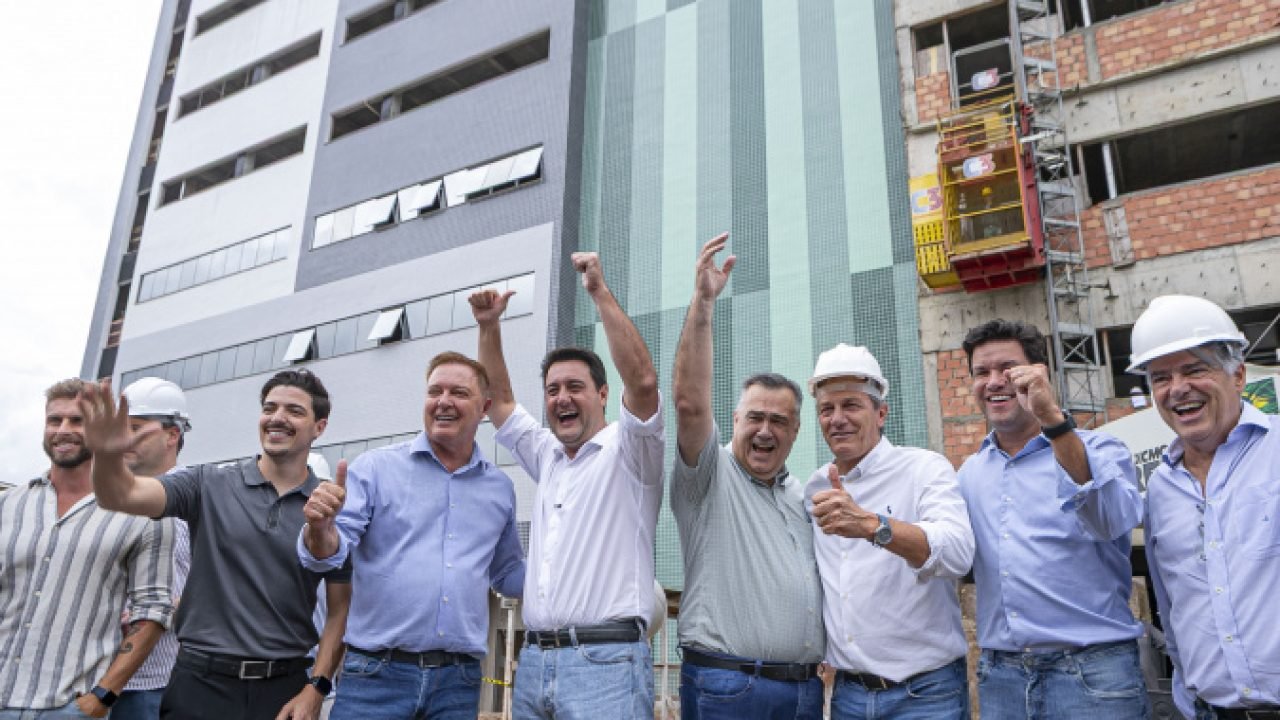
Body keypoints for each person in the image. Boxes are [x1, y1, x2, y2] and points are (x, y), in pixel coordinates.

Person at [79, 369, 352, 720]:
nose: (277, 418)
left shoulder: (328, 506)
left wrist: (317, 688)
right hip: (200, 686)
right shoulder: (208, 484)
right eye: (269, 408)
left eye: (294, 411)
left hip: (284, 692)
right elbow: (121, 494)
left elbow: (339, 610)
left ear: (320, 427)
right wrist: (105, 454)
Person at [472, 250, 664, 719]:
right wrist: (489, 327)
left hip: (607, 664)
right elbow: (496, 402)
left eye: (575, 387)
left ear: (602, 394)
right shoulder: (548, 455)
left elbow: (642, 380)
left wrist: (598, 292)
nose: (562, 397)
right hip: (535, 661)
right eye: (553, 389)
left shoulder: (632, 449)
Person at [299, 351, 525, 719]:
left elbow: (508, 574)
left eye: (458, 393)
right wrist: (319, 528)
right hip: (376, 677)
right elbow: (327, 553)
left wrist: (568, 564)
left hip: (458, 683)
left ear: (484, 407)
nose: (444, 402)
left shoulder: (499, 488)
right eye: (435, 391)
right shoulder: (376, 469)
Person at [957, 320, 1148, 720]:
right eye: (981, 373)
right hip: (1002, 676)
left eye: (1007, 369)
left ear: (1040, 372)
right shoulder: (969, 474)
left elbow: (1111, 518)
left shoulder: (1101, 448)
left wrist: (1053, 421)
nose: (994, 382)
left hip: (1093, 673)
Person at [669, 233, 825, 720]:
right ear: (733, 421)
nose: (764, 430)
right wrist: (703, 304)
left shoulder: (803, 496)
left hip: (802, 691)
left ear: (796, 431)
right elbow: (690, 403)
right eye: (753, 417)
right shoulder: (708, 477)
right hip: (728, 687)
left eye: (778, 421)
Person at [1129, 295, 1280, 720]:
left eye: (1195, 369)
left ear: (1239, 376)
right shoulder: (1160, 489)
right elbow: (1173, 610)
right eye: (1160, 377)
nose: (1177, 388)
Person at [806, 344, 975, 719]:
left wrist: (872, 526)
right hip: (848, 695)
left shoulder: (924, 469)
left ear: (881, 413)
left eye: (850, 405)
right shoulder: (815, 488)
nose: (837, 419)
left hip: (926, 696)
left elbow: (958, 552)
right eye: (826, 409)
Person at [0, 379, 175, 720]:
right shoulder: (8, 505)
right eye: (55, 420)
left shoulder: (144, 510)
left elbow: (154, 610)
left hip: (69, 707)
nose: (63, 430)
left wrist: (101, 697)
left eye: (77, 421)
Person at [112, 378, 194, 720]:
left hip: (153, 683)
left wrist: (159, 610)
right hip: (92, 677)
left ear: (171, 435)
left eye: (135, 428)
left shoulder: (197, 499)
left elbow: (221, 586)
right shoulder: (109, 496)